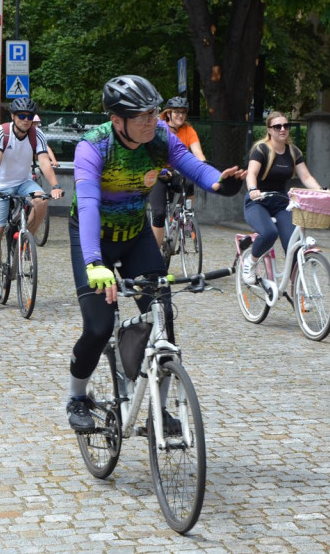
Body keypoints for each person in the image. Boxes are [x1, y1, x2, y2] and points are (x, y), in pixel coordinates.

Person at [64, 75, 244, 431]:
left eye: (153, 113)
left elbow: (193, 167)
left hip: (136, 236)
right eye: (142, 115)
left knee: (163, 320)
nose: (152, 120)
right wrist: (93, 262)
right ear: (118, 121)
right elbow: (87, 205)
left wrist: (220, 184)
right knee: (99, 327)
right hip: (93, 238)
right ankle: (77, 397)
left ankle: (159, 414)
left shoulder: (160, 136)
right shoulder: (93, 146)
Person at [0, 97, 64, 299]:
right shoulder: (2, 132)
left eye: (29, 116)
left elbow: (44, 162)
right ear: (13, 116)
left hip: (23, 182)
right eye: (22, 116)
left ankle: (25, 240)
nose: (26, 120)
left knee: (42, 200)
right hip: (1, 185)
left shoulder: (36, 134)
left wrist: (55, 186)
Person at [240, 111, 324, 285]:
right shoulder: (261, 149)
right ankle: (251, 262)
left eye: (286, 126)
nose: (282, 129)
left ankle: (298, 290)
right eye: (277, 126)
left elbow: (306, 177)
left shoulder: (293, 152)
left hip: (281, 203)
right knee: (269, 232)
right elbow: (251, 174)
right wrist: (253, 189)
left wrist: (321, 191)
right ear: (269, 130)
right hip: (258, 202)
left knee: (294, 244)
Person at [149, 96, 208, 248]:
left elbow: (198, 153)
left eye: (183, 112)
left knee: (189, 183)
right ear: (168, 113)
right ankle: (155, 256)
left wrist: (203, 167)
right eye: (176, 112)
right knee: (159, 214)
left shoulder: (188, 130)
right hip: (159, 173)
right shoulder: (159, 128)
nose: (180, 116)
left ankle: (186, 217)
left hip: (177, 171)